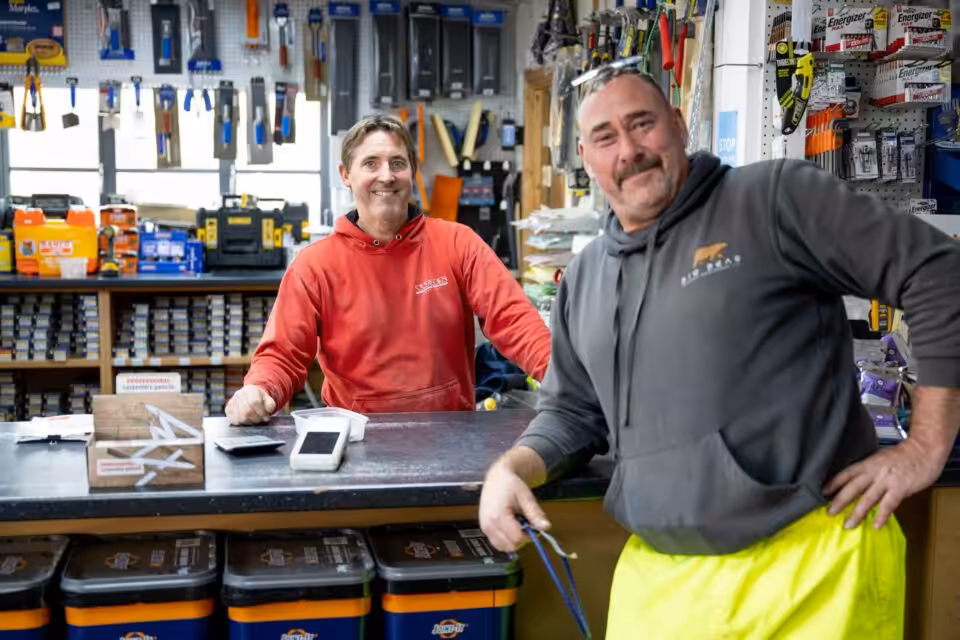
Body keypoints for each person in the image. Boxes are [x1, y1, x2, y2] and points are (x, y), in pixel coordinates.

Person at [478, 66, 960, 639]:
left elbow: (938, 274)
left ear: (679, 125)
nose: (629, 150)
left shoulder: (773, 199)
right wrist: (511, 469)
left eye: (642, 124)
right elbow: (573, 414)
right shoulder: (584, 278)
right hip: (663, 585)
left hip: (814, 570)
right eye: (606, 137)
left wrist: (927, 444)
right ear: (586, 157)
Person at [226, 115, 551, 424]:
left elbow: (514, 320)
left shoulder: (457, 243)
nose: (387, 175)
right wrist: (259, 388)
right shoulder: (314, 267)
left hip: (451, 436)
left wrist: (561, 373)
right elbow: (283, 354)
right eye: (371, 163)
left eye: (398, 163)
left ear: (412, 172)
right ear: (345, 174)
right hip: (355, 438)